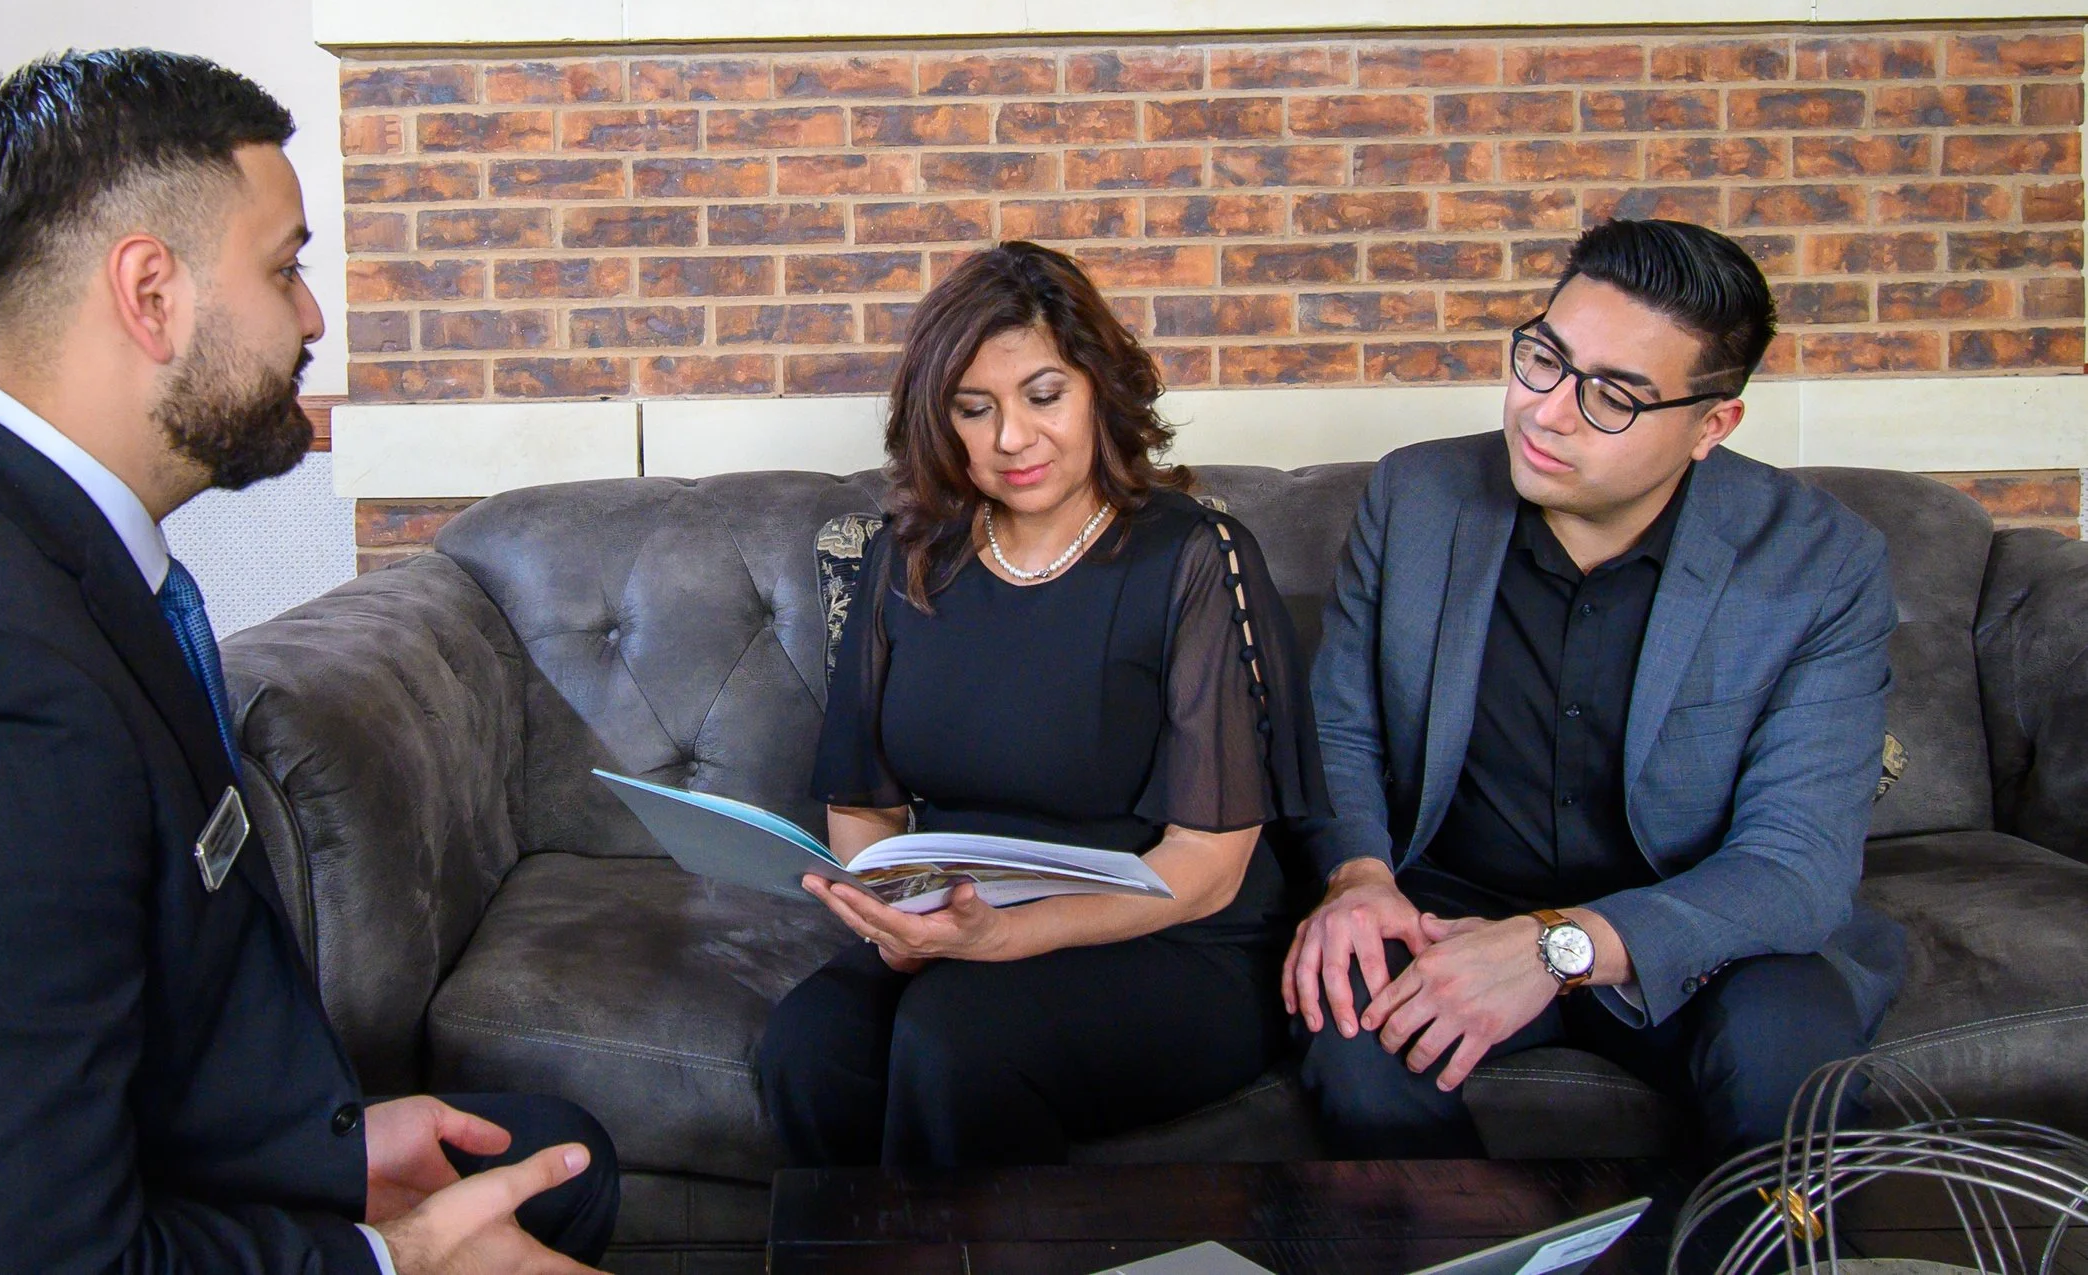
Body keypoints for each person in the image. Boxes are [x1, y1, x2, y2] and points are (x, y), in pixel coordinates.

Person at [0, 50, 619, 1274]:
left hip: (61, 1167)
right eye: (286, 267)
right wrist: (394, 1260)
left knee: (556, 1155)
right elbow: (20, 1253)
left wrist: (316, 1152)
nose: (312, 316)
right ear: (151, 291)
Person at [1284, 217, 1903, 1164]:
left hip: (1700, 930)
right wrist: (1360, 877)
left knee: (1787, 1053)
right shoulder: (1417, 497)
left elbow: (1796, 866)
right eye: (1543, 359)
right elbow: (1342, 731)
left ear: (1712, 425)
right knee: (1355, 1032)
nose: (1548, 411)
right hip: (1453, 907)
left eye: (1612, 396)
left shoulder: (1820, 561)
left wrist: (1550, 947)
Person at [755, 240, 1329, 1166]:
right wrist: (892, 915)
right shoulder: (906, 558)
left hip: (1177, 939)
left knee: (956, 1044)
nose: (1010, 438)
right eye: (973, 410)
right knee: (808, 1052)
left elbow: (1207, 868)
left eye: (1043, 397)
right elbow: (865, 803)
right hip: (961, 918)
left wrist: (1003, 939)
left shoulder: (1195, 556)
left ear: (1100, 389)